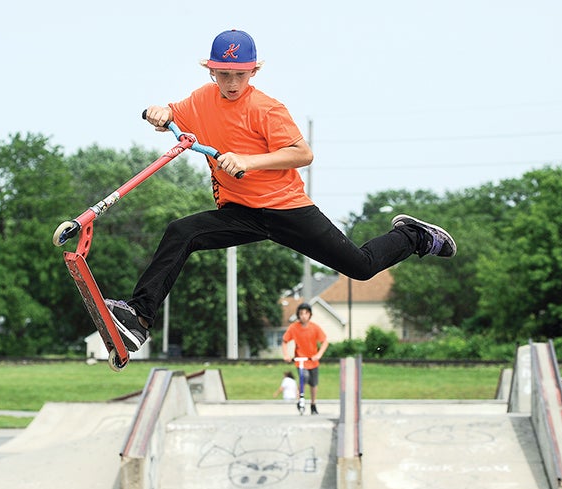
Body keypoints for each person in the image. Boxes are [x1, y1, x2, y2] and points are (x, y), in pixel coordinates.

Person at [104, 29, 457, 353]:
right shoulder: (201, 100)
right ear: (210, 72)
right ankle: (139, 318)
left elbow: (303, 153)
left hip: (286, 209)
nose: (231, 83)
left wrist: (248, 161)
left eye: (239, 75)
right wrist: (160, 112)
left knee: (361, 267)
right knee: (182, 232)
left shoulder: (265, 108)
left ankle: (414, 236)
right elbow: (174, 113)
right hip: (240, 212)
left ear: (253, 72)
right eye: (223, 74)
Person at [281, 303, 328, 415]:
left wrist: (318, 354)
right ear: (298, 315)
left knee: (314, 383)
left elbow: (325, 341)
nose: (303, 316)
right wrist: (286, 355)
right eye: (301, 313)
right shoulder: (294, 328)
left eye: (306, 313)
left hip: (312, 360)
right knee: (304, 377)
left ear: (310, 315)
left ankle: (313, 404)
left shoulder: (314, 328)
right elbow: (284, 341)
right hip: (301, 361)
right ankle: (300, 399)